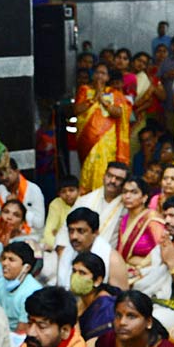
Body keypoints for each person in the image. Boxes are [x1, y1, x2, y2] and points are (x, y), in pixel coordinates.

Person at [74, 63, 131, 193]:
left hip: (106, 139)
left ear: (107, 78)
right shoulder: (84, 90)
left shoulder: (114, 93)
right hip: (87, 138)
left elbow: (119, 113)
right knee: (89, 166)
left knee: (105, 166)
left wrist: (104, 101)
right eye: (97, 72)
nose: (100, 76)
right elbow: (76, 110)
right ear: (92, 75)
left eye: (103, 73)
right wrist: (93, 99)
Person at [48, 207, 121, 291]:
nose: (74, 236)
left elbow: (120, 300)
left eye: (81, 231)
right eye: (71, 231)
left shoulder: (113, 260)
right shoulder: (67, 252)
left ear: (95, 232)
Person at [114, 177, 166, 271]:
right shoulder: (124, 220)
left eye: (134, 192)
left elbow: (163, 252)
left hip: (148, 274)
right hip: (124, 272)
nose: (127, 196)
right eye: (125, 192)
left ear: (144, 198)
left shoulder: (152, 219)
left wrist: (140, 263)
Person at [0, 241, 43, 334]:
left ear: (26, 268)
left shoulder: (32, 292)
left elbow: (22, 331)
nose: (4, 263)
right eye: (4, 258)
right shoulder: (0, 283)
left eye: (11, 260)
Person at [0, 152, 47, 235]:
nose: (5, 177)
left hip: (31, 236)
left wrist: (19, 206)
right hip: (4, 236)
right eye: (1, 174)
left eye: (9, 173)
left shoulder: (33, 189)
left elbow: (39, 224)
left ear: (17, 172)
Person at [77, 161, 129, 246]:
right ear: (104, 176)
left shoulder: (127, 206)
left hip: (110, 255)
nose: (112, 181)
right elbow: (65, 230)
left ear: (125, 183)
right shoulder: (85, 201)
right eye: (109, 176)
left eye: (118, 179)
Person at [71, 252, 116, 341]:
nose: (76, 277)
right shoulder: (80, 300)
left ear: (97, 281)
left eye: (82, 273)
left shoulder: (106, 308)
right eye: (74, 271)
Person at [41, 179, 80, 252]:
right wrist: (60, 245)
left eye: (71, 190)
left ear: (79, 191)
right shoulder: (56, 204)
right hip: (59, 247)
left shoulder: (85, 202)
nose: (67, 194)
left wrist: (58, 233)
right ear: (59, 194)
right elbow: (48, 233)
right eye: (63, 191)